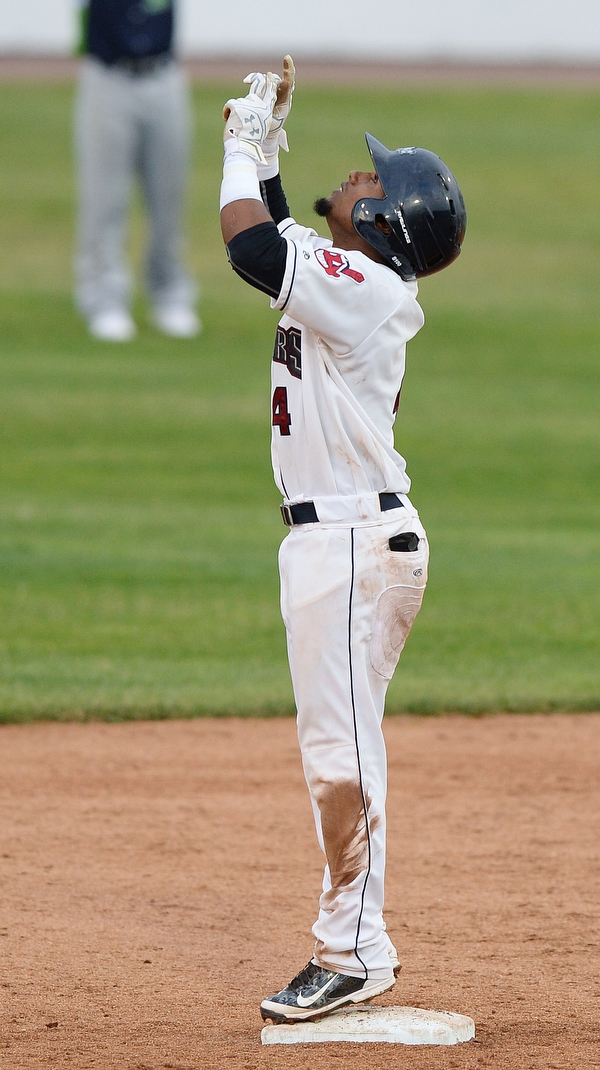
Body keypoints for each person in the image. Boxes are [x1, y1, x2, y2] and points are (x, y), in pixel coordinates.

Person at [220, 60, 466, 1024]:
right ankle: (350, 937)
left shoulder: (362, 288)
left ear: (383, 224)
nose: (358, 176)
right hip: (339, 544)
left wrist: (240, 144)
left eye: (374, 179)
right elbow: (278, 236)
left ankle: (355, 948)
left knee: (341, 756)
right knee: (336, 752)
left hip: (357, 544)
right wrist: (270, 149)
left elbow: (252, 250)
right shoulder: (357, 280)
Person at [74, 0, 199, 341]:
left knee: (168, 195)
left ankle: (170, 293)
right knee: (105, 198)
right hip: (109, 75)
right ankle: (104, 299)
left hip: (163, 72)